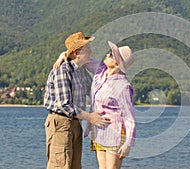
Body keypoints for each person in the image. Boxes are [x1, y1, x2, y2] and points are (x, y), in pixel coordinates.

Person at [44, 32, 111, 169]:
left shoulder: (80, 71)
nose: (91, 51)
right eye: (87, 49)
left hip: (75, 123)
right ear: (76, 53)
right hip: (61, 123)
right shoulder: (63, 70)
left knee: (74, 166)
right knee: (60, 166)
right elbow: (64, 105)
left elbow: (94, 90)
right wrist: (90, 117)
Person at [84, 41, 136, 169]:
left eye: (112, 55)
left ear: (118, 63)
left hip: (115, 132)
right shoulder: (100, 71)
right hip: (98, 131)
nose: (107, 55)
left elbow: (129, 118)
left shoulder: (123, 86)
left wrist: (128, 144)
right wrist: (64, 54)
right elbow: (84, 60)